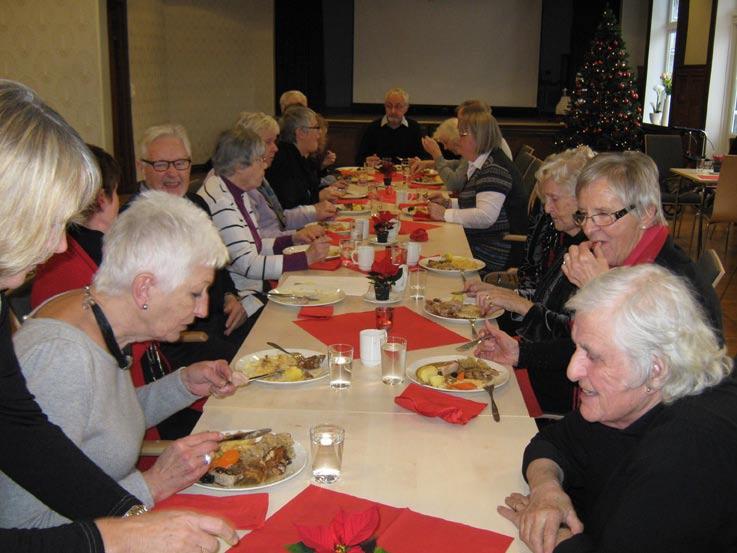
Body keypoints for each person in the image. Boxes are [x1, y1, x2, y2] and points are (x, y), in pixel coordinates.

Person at [0, 79, 237, 553]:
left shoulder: (105, 331)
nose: (60, 246)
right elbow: (22, 518)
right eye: (48, 222)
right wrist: (133, 513)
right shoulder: (61, 354)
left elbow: (38, 436)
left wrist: (130, 511)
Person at [3, 191, 247, 529]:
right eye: (195, 292)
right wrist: (152, 485)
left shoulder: (98, 317)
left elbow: (104, 422)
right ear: (144, 288)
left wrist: (183, 384)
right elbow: (22, 526)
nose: (202, 309)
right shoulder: (61, 357)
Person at [499, 264, 737, 553]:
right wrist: (546, 490)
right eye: (577, 348)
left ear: (656, 369)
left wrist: (555, 537)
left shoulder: (689, 449)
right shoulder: (626, 401)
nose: (573, 371)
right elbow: (552, 442)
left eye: (594, 356)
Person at [476, 151, 723, 413]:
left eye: (604, 214)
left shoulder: (672, 284)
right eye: (585, 215)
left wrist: (599, 291)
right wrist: (519, 353)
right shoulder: (621, 256)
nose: (590, 229)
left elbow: (639, 386)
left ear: (647, 214)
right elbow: (579, 341)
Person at [135, 124, 249, 370]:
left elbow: (218, 266)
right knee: (253, 367)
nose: (172, 174)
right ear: (141, 167)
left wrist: (231, 296)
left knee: (277, 336)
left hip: (221, 321)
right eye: (161, 165)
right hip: (179, 340)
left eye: (180, 164)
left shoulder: (197, 204)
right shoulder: (135, 223)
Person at [198, 127, 331, 322]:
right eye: (259, 160)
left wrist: (292, 239)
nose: (265, 166)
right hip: (242, 299)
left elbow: (255, 244)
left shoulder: (235, 189)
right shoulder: (221, 201)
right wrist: (305, 258)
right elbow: (248, 265)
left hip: (255, 289)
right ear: (238, 167)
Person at [467, 146, 595, 338]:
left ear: (581, 198)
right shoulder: (560, 235)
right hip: (530, 338)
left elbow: (568, 336)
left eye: (554, 199)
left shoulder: (591, 252)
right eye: (545, 199)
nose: (547, 209)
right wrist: (500, 293)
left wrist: (514, 301)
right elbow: (543, 298)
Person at [427, 103, 528, 272]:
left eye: (462, 135)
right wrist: (449, 203)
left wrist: (445, 214)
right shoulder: (483, 164)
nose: (458, 140)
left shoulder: (494, 169)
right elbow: (477, 202)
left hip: (496, 249)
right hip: (481, 241)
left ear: (478, 137)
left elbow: (485, 216)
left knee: (432, 250)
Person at [234, 111, 336, 238]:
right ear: (248, 145)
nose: (276, 148)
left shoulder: (258, 174)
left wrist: (314, 212)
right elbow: (256, 240)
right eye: (268, 142)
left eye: (274, 141)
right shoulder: (242, 180)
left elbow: (279, 218)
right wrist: (296, 236)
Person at [266, 106, 344, 209]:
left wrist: (328, 190)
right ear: (301, 133)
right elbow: (289, 205)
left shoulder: (298, 156)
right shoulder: (283, 160)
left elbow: (309, 188)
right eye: (316, 128)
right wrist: (319, 196)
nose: (320, 132)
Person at [355, 87, 427, 165]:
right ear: (385, 107)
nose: (393, 111)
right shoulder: (373, 127)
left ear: (406, 108)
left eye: (398, 106)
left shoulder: (415, 128)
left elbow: (425, 158)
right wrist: (366, 161)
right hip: (379, 174)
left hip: (406, 174)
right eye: (389, 106)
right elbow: (359, 159)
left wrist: (419, 162)